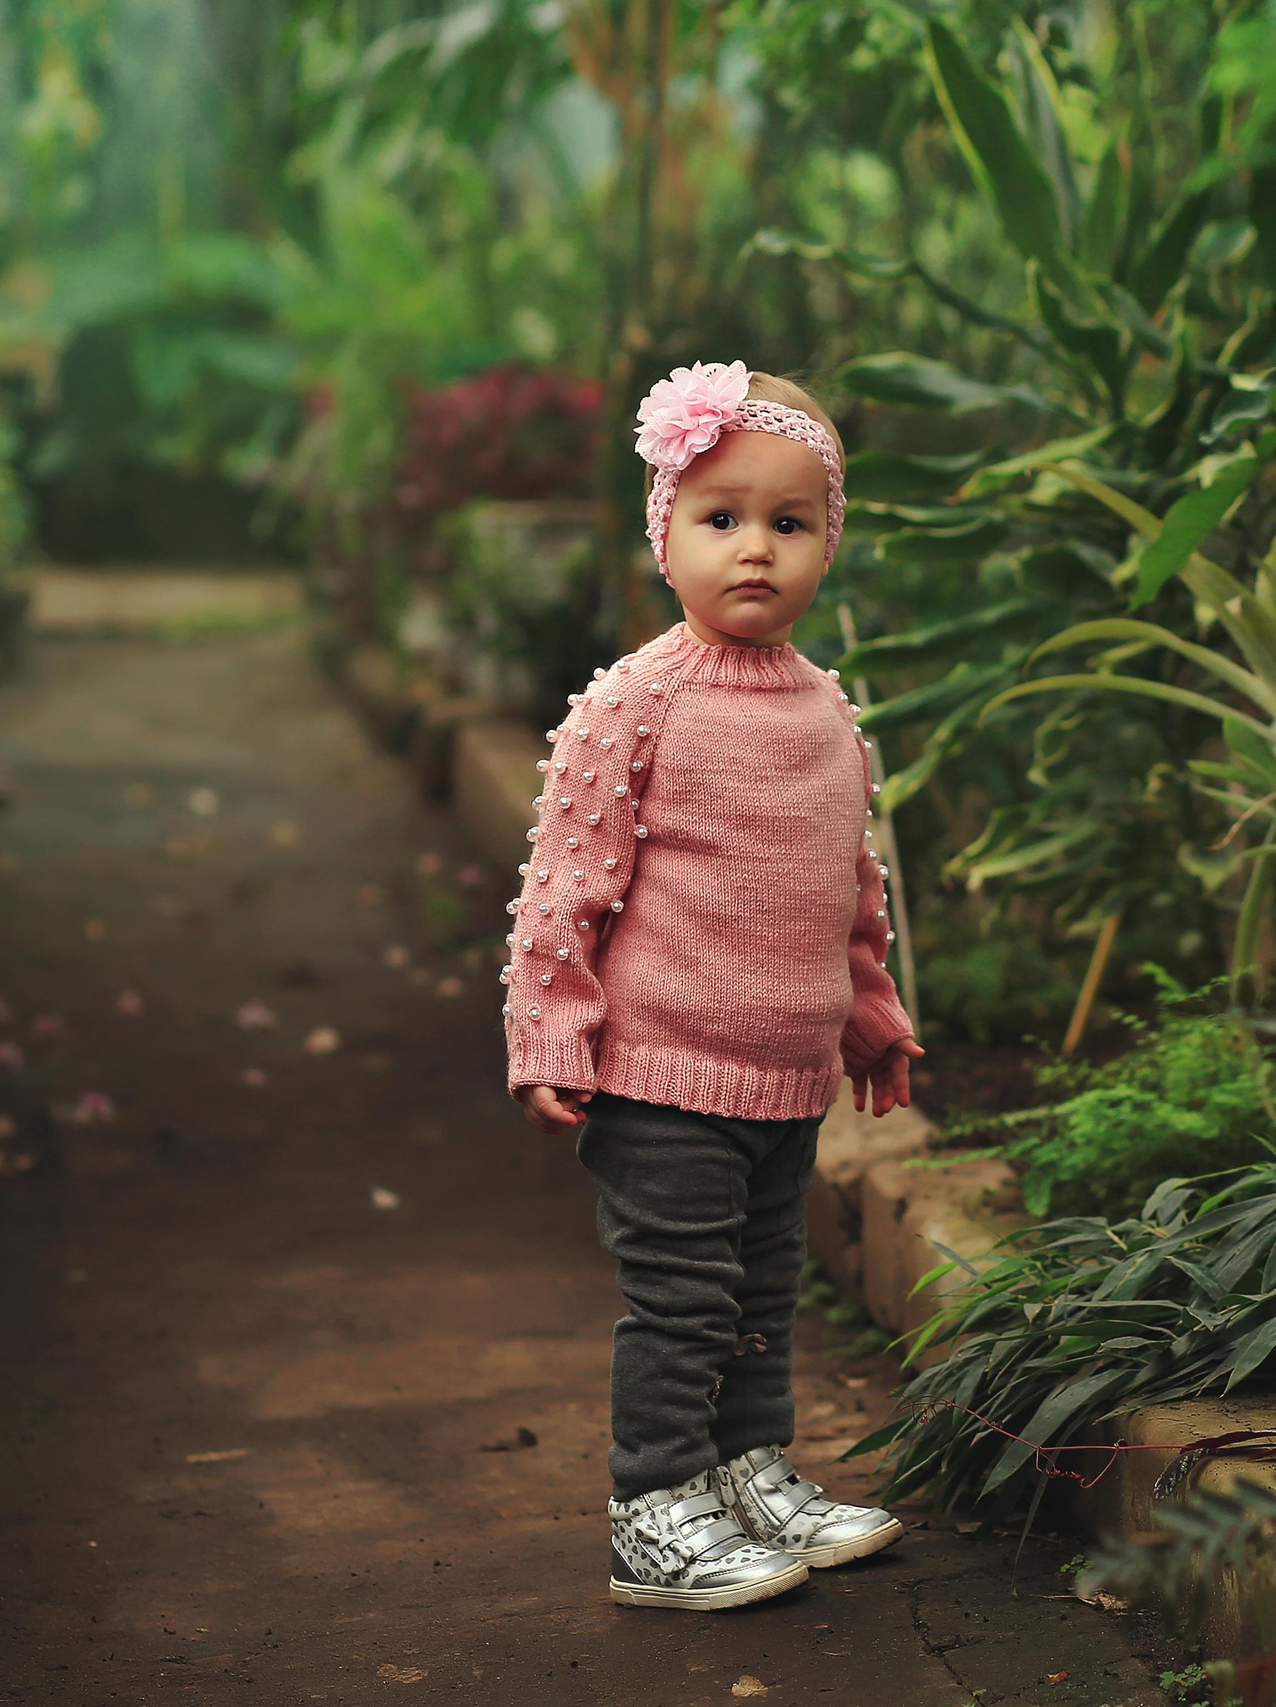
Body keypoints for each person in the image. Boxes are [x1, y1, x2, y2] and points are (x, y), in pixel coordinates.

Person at [504, 360, 926, 1612]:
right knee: (682, 1303)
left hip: (784, 1079)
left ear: (827, 543)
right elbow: (561, 892)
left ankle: (746, 1470)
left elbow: (851, 892)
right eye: (720, 518)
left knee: (761, 1292)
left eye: (789, 525)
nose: (756, 551)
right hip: (660, 1074)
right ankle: (654, 1506)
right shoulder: (635, 703)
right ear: (665, 532)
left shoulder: (827, 715)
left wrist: (872, 1017)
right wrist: (551, 1038)